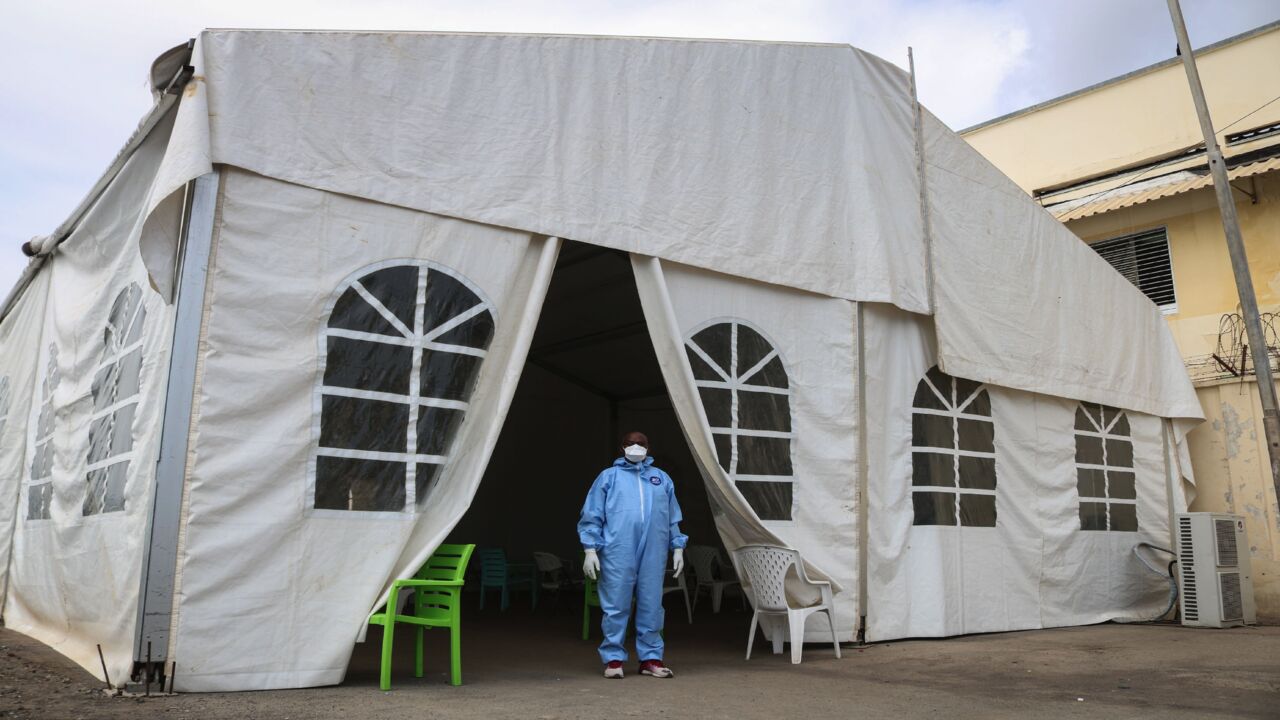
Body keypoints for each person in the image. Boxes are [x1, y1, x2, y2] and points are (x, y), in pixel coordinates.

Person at [578, 431, 688, 679]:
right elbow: (592, 515)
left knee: (651, 604)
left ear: (649, 448)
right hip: (618, 550)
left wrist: (678, 546)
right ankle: (613, 659)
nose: (636, 447)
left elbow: (672, 517)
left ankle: (651, 659)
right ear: (622, 447)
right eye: (631, 443)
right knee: (616, 604)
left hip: (654, 550)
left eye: (641, 443)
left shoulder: (661, 479)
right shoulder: (609, 477)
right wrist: (590, 548)